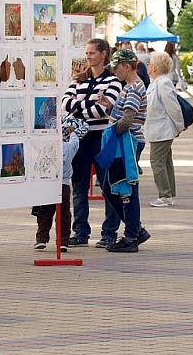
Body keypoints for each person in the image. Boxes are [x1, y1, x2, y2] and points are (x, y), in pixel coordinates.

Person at [61, 38, 123, 247]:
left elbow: (103, 109)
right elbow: (65, 103)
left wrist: (79, 107)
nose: (88, 57)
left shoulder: (113, 81)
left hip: (102, 139)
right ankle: (80, 233)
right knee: (78, 187)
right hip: (79, 140)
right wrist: (89, 104)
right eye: (86, 53)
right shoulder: (79, 79)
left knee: (108, 186)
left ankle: (109, 233)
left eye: (92, 53)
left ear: (103, 54)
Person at [96, 49, 150, 252]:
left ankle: (131, 236)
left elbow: (127, 120)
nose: (114, 72)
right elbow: (124, 114)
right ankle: (135, 229)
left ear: (127, 66)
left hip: (127, 142)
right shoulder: (130, 87)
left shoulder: (135, 88)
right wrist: (109, 107)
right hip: (124, 142)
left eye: (116, 67)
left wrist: (110, 129)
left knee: (125, 188)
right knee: (114, 187)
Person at [31, 115, 88, 251]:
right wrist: (72, 131)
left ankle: (41, 238)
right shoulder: (69, 147)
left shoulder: (45, 147)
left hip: (47, 183)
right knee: (64, 213)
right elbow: (76, 141)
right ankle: (63, 241)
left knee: (45, 211)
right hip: (64, 185)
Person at [145, 51, 185, 206]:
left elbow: (173, 108)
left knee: (157, 162)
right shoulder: (156, 82)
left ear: (154, 67)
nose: (147, 66)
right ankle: (168, 193)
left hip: (162, 131)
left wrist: (179, 126)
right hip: (158, 130)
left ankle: (165, 195)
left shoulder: (163, 83)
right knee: (165, 161)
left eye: (150, 64)